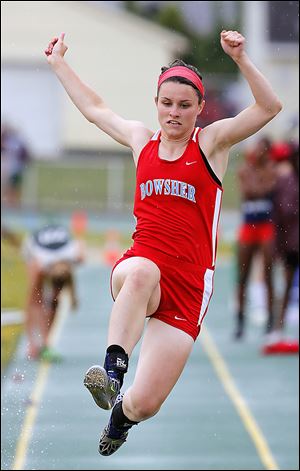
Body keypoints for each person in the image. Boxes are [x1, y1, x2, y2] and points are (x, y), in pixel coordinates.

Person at [45, 30, 282, 456]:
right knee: (141, 272)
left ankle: (120, 416)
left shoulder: (211, 143)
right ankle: (113, 371)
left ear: (199, 109)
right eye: (167, 103)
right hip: (141, 266)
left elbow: (269, 107)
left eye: (184, 106)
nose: (174, 113)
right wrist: (59, 63)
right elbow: (95, 109)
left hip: (190, 285)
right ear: (156, 103)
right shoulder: (141, 140)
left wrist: (242, 58)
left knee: (147, 402)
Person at [234, 137, 277, 339]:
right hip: (248, 225)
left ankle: (271, 320)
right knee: (242, 275)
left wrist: (258, 185)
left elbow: (263, 189)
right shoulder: (245, 169)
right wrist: (259, 185)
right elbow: (250, 191)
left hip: (265, 226)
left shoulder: (271, 168)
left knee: (268, 273)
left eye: (261, 148)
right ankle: (240, 321)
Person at [22, 223, 85, 361]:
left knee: (54, 301)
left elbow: (69, 276)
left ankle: (46, 343)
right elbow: (31, 302)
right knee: (35, 298)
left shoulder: (75, 255)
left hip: (59, 256)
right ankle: (32, 343)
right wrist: (32, 342)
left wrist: (73, 296)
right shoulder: (39, 264)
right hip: (34, 248)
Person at [262, 142, 299, 354]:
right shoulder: (286, 181)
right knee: (285, 285)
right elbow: (281, 215)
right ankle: (278, 327)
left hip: (292, 240)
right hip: (291, 244)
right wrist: (279, 246)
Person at [1, 123, 31, 208]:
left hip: (13, 169)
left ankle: (12, 205)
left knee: (12, 188)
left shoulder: (13, 142)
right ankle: (9, 204)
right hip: (10, 169)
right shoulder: (11, 141)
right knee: (9, 188)